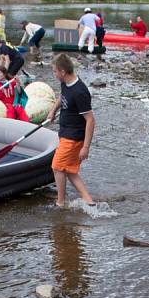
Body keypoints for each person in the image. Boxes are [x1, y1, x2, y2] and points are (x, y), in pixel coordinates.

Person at [47, 54, 95, 208]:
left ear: (62, 71)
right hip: (65, 132)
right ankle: (89, 201)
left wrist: (85, 147)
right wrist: (54, 109)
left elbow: (90, 120)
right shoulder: (65, 83)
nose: (54, 74)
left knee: (57, 167)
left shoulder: (80, 92)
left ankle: (60, 203)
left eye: (54, 71)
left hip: (73, 137)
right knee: (69, 170)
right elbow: (62, 97)